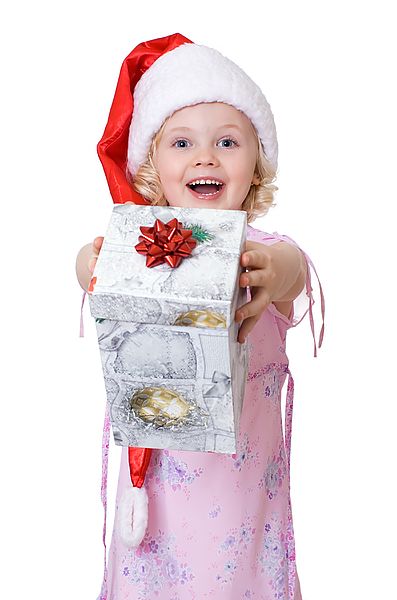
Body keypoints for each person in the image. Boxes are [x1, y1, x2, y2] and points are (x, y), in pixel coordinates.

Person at [76, 33, 324, 600]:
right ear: (152, 167)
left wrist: (268, 269)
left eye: (228, 142)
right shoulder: (139, 253)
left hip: (240, 500)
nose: (204, 157)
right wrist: (93, 261)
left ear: (256, 166)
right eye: (182, 142)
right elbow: (85, 267)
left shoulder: (261, 249)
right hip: (157, 494)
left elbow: (292, 271)